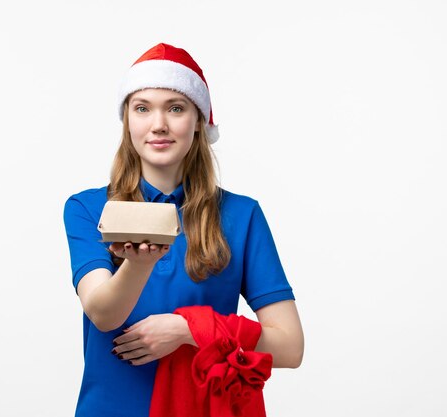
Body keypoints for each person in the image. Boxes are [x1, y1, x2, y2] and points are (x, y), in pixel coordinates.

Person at [63, 43, 304, 417]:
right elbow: (103, 314)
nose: (158, 124)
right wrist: (140, 263)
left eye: (175, 108)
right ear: (127, 120)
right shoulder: (88, 208)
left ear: (198, 120)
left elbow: (290, 347)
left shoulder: (241, 216)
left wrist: (189, 329)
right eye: (142, 108)